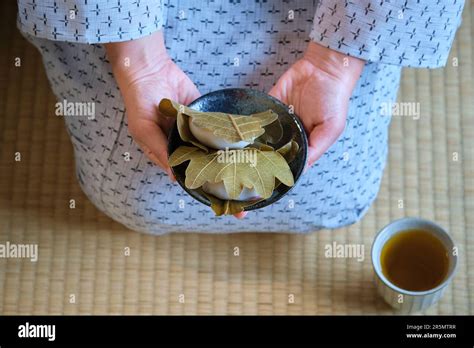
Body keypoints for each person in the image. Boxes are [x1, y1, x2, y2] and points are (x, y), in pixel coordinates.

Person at [17, 0, 465, 234]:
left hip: (336, 23)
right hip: (132, 23)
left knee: (334, 189)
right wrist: (138, 60)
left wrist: (336, 62)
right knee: (135, 188)